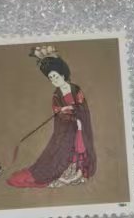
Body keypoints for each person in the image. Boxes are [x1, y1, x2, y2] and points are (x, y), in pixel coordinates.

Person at [7, 50, 97, 188]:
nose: (54, 80)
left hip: (80, 126)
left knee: (80, 147)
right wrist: (63, 111)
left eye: (55, 76)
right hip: (66, 129)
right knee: (60, 150)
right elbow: (57, 111)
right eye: (51, 78)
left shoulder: (75, 89)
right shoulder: (56, 95)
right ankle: (64, 174)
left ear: (62, 75)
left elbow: (82, 107)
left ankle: (77, 173)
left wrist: (73, 110)